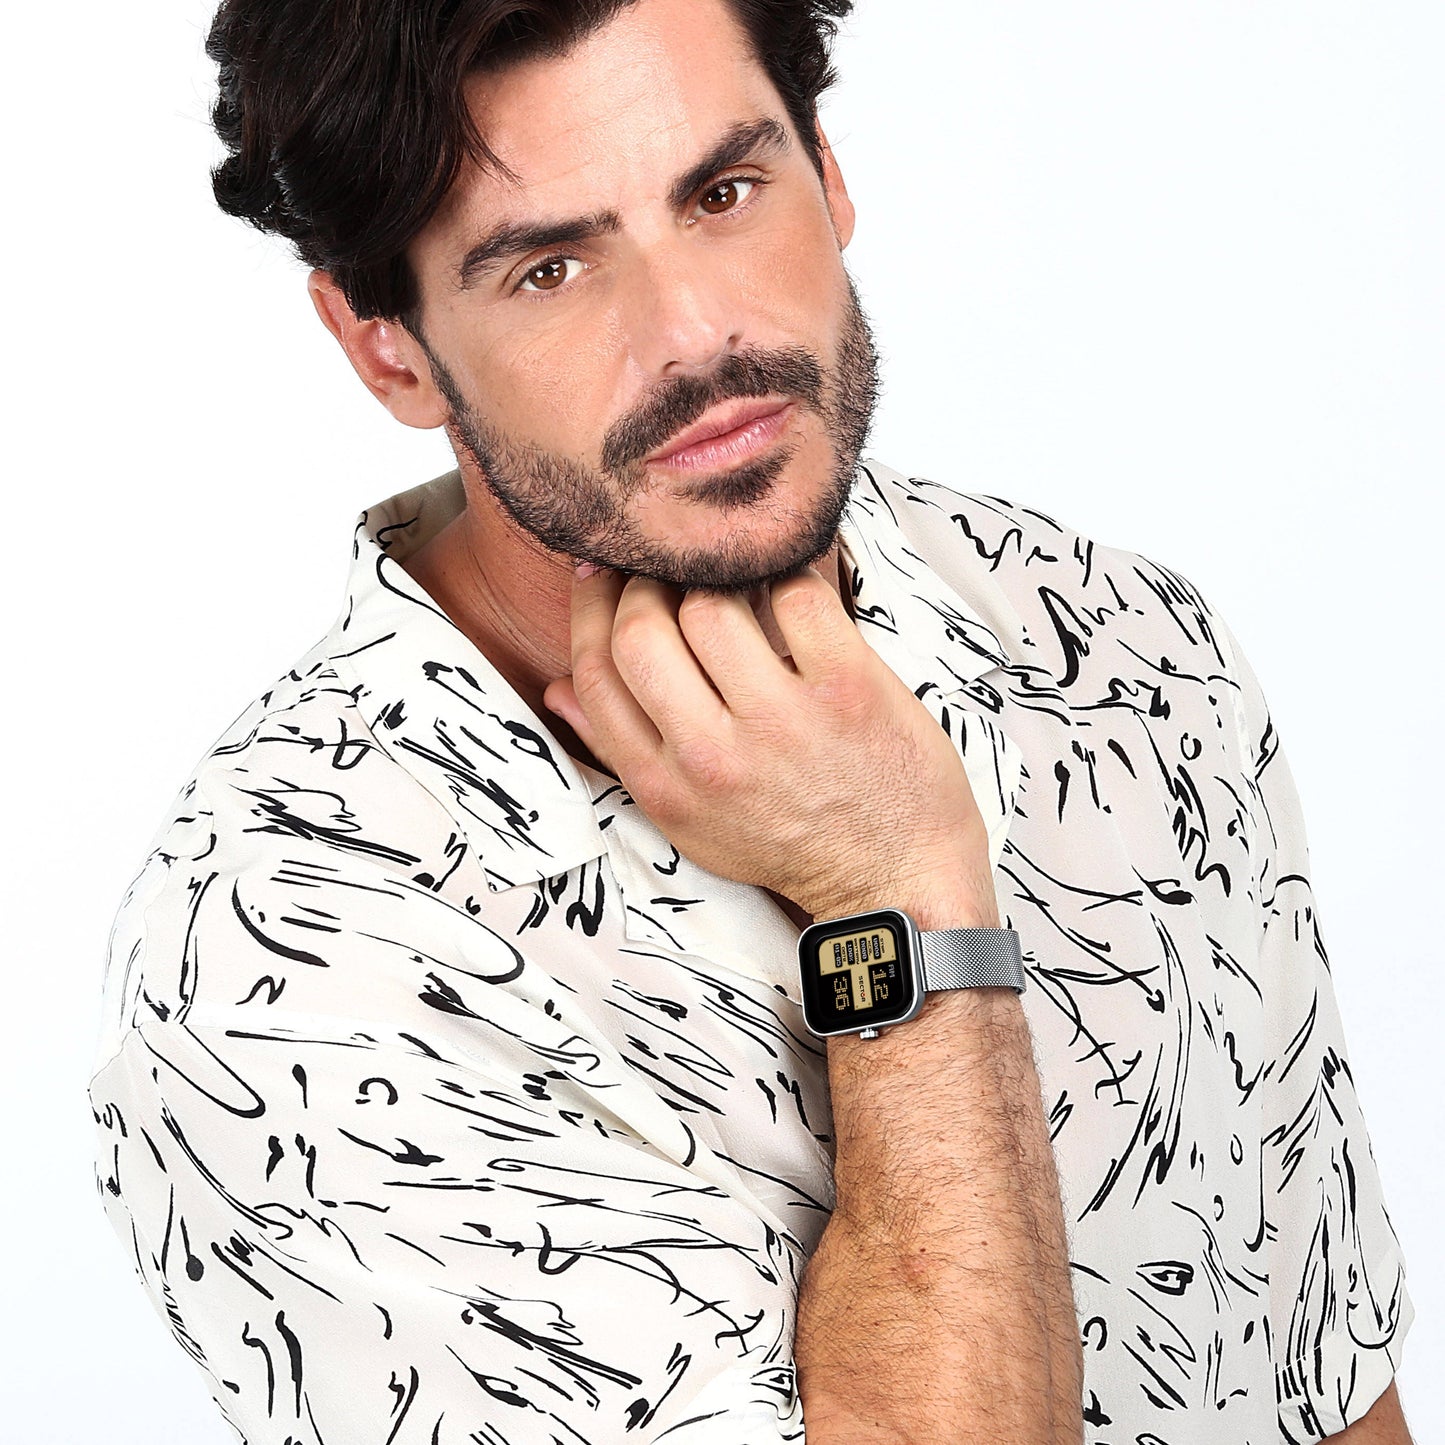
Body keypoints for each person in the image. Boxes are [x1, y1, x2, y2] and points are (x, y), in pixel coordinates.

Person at [88, 0, 1415, 1441]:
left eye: (723, 193)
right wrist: (897, 892)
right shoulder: (288, 957)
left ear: (827, 174)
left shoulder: (1114, 647)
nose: (694, 335)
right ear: (387, 347)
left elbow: (1323, 1391)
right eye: (548, 267)